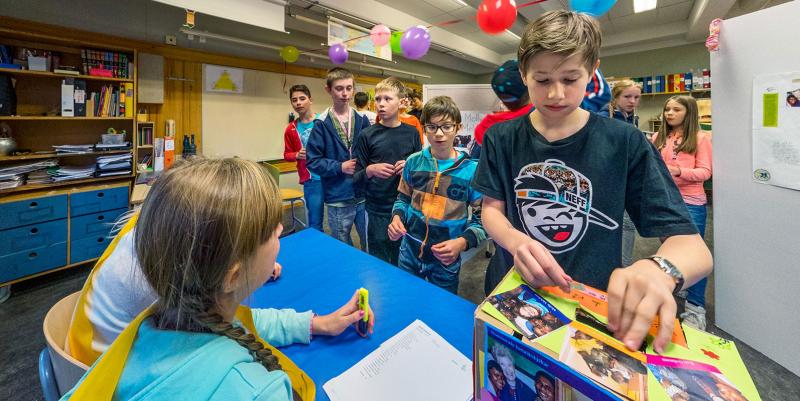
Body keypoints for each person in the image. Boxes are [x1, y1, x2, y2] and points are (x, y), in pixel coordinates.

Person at [472, 10, 712, 353]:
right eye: (542, 80)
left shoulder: (624, 142)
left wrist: (659, 269)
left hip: (590, 305)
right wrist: (514, 240)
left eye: (571, 79)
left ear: (592, 72)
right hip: (511, 292)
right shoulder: (501, 137)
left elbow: (693, 248)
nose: (556, 94)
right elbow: (492, 210)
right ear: (524, 74)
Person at [61, 158, 375, 401]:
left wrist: (316, 324)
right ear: (233, 275)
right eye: (271, 230)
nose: (281, 231)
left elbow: (235, 324)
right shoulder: (256, 390)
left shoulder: (164, 315)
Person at [389, 96, 486, 293]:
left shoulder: (471, 170)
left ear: (457, 127)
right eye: (432, 127)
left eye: (446, 126)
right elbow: (403, 199)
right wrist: (397, 217)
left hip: (445, 259)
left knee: (442, 308)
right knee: (406, 298)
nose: (439, 134)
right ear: (424, 129)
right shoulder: (413, 162)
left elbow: (482, 220)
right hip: (409, 251)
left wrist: (462, 242)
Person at [651, 95, 713, 330]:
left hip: (690, 203)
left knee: (694, 255)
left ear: (689, 113)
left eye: (676, 109)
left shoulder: (700, 138)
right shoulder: (659, 137)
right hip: (664, 202)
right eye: (667, 109)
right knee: (669, 252)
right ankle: (673, 291)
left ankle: (696, 308)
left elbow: (705, 172)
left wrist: (677, 171)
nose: (669, 113)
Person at [471, 60, 611, 159]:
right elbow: (601, 94)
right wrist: (583, 61)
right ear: (528, 84)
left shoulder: (487, 130)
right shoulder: (553, 114)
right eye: (542, 80)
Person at [353, 77, 422, 264]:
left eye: (387, 99)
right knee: (379, 262)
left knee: (405, 262)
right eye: (377, 99)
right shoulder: (366, 135)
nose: (380, 104)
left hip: (406, 209)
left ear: (401, 102)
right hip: (377, 210)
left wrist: (409, 166)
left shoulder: (412, 133)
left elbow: (421, 172)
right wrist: (370, 170)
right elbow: (355, 178)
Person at [306, 67, 371, 249]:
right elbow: (312, 161)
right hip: (338, 196)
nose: (345, 94)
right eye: (339, 88)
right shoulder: (321, 123)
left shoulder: (361, 120)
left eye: (349, 88)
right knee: (342, 245)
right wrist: (339, 167)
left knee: (369, 242)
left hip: (362, 193)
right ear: (328, 89)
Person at [597, 79, 642, 268]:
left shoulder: (633, 119)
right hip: (607, 179)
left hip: (627, 177)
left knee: (628, 224)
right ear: (615, 97)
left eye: (637, 97)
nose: (632, 101)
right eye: (627, 97)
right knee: (604, 224)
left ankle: (624, 266)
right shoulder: (602, 117)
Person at [284, 84, 324, 231]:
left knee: (339, 222)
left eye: (302, 98)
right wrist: (296, 154)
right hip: (311, 180)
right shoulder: (291, 129)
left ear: (310, 100)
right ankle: (318, 251)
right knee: (315, 222)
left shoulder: (323, 121)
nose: (298, 103)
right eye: (294, 100)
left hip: (331, 177)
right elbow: (287, 154)